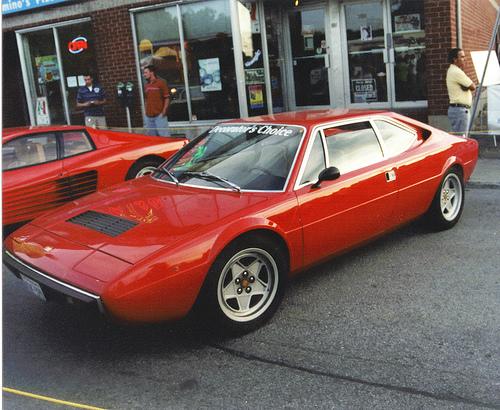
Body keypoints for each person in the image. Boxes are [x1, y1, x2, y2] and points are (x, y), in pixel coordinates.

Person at [446, 48, 476, 134]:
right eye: (462, 57)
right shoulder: (456, 72)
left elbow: (468, 86)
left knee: (460, 138)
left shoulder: (454, 70)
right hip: (460, 111)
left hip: (458, 110)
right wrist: (467, 86)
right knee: (462, 139)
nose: (464, 59)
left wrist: (466, 86)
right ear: (455, 59)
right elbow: (473, 86)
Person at [143, 65, 171, 137]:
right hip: (149, 117)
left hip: (159, 115)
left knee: (165, 137)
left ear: (151, 72)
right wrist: (145, 112)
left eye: (146, 72)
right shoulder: (146, 85)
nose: (144, 75)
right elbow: (146, 99)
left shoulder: (161, 83)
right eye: (144, 73)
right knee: (152, 139)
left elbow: (167, 98)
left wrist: (164, 111)